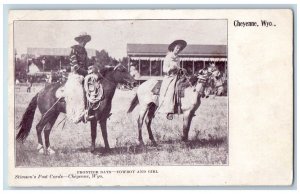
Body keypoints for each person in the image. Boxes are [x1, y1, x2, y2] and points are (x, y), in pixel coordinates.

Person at [64, 32, 94, 123]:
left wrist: (90, 67)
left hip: (85, 75)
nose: (85, 42)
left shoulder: (84, 51)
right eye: (83, 40)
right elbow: (76, 66)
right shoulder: (74, 50)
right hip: (76, 75)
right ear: (80, 40)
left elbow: (87, 63)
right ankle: (80, 115)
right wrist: (86, 71)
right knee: (80, 92)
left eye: (86, 40)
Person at [157, 40, 187, 120]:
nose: (178, 50)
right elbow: (164, 69)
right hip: (169, 77)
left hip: (177, 77)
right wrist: (171, 68)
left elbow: (178, 68)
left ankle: (184, 108)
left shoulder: (178, 58)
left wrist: (181, 70)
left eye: (180, 49)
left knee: (185, 87)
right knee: (171, 90)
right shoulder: (168, 57)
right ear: (173, 48)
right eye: (177, 48)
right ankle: (169, 111)